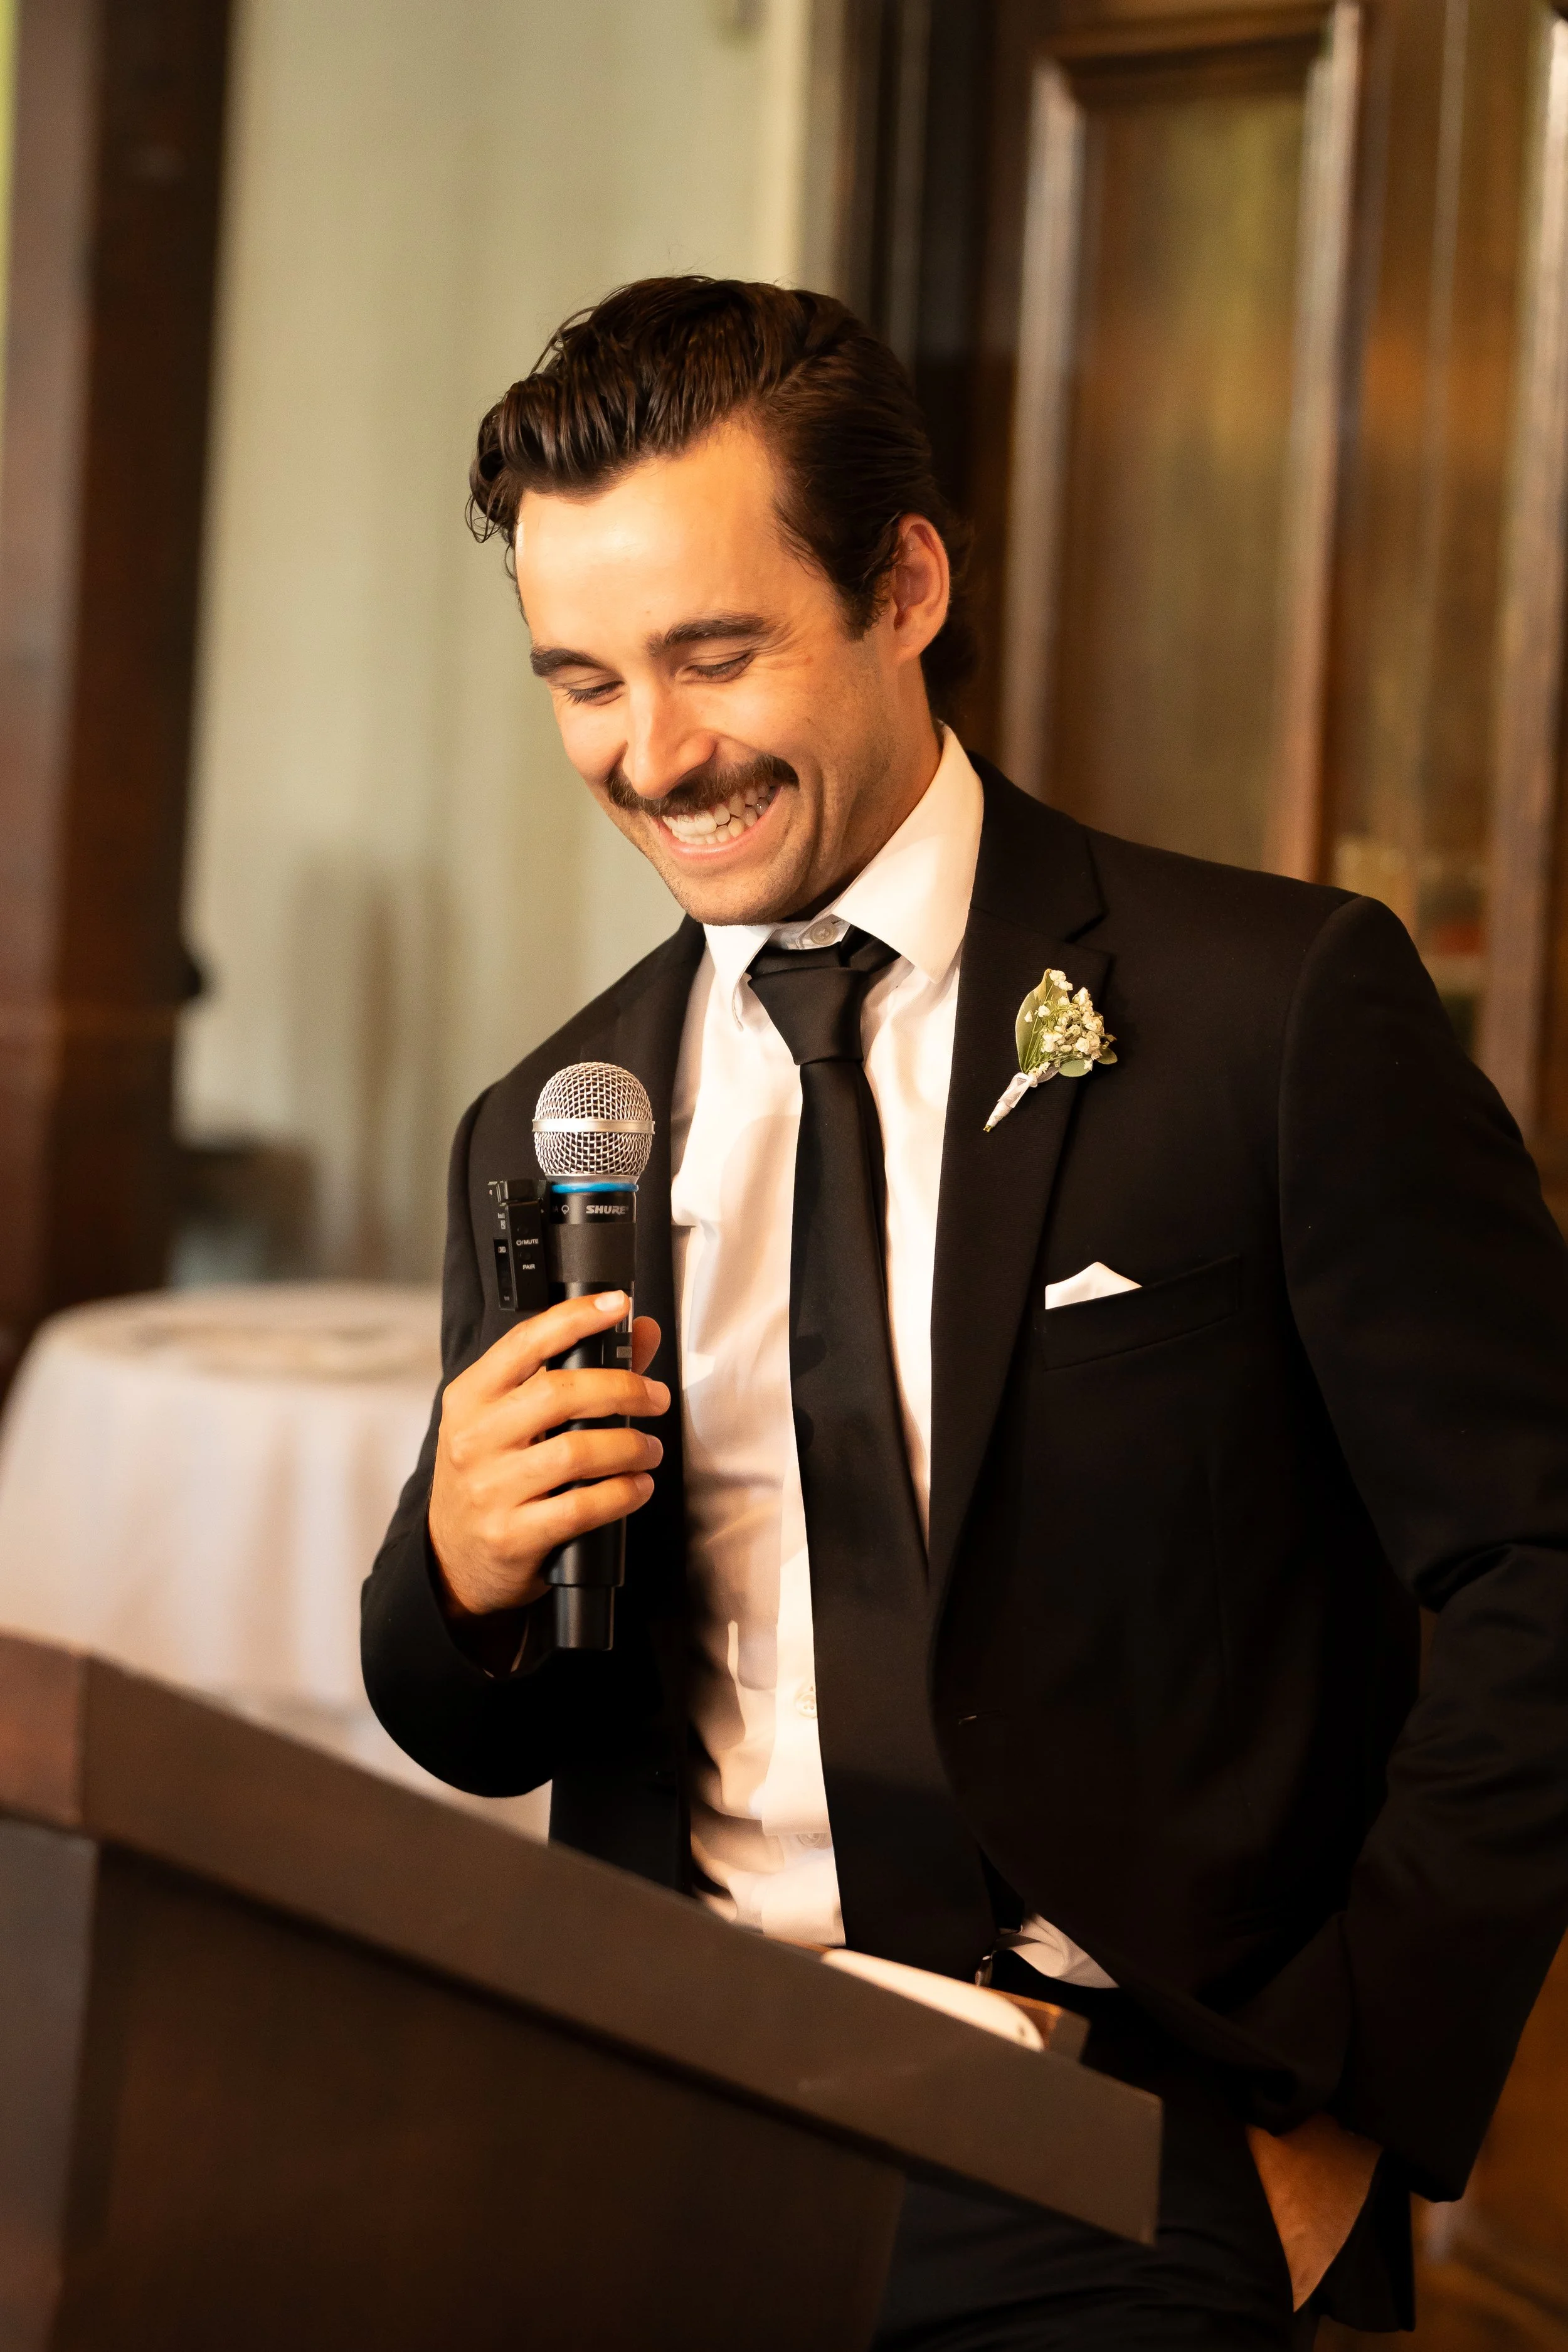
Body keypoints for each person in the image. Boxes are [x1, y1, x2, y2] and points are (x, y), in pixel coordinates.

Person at [361, 276, 1568, 2348]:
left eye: (713, 653)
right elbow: (489, 1722)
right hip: (662, 2117)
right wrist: (455, 1572)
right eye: (582, 681)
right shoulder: (555, 1126)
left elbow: (1541, 1558)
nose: (650, 757)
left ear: (904, 583)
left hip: (1135, 2146)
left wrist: (1353, 2095)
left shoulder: (1268, 1014)